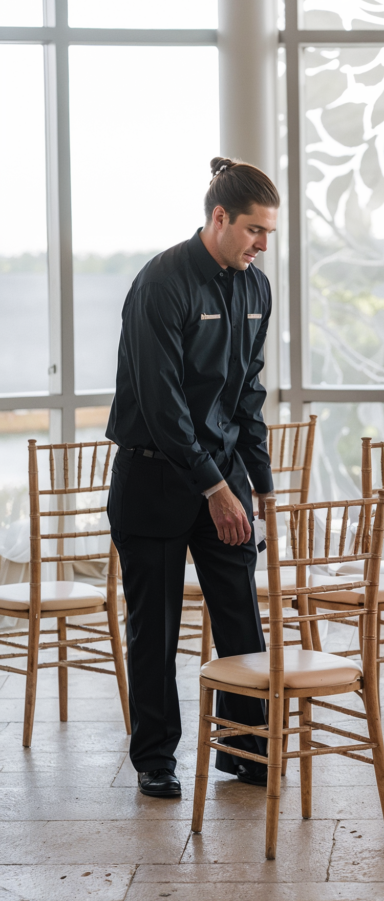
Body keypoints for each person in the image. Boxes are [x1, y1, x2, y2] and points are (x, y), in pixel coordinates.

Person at [106, 157, 279, 798]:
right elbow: (162, 402)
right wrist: (215, 488)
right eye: (254, 230)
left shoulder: (256, 289)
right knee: (156, 627)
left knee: (240, 618)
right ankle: (156, 760)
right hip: (153, 482)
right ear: (219, 218)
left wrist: (262, 488)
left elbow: (247, 395)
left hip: (225, 483)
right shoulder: (163, 283)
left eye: (268, 234)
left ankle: (245, 749)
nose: (262, 245)